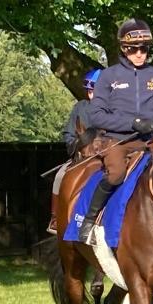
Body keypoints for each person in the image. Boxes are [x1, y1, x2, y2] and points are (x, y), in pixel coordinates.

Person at [78, 18, 153, 244]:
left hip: (152, 142)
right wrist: (133, 123)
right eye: (134, 49)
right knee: (116, 175)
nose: (140, 54)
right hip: (117, 142)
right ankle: (89, 220)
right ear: (124, 48)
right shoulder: (108, 76)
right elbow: (96, 115)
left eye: (144, 49)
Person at [47, 67, 103, 234]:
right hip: (82, 155)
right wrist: (76, 146)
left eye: (95, 90)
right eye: (89, 91)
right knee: (59, 176)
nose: (91, 94)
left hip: (105, 155)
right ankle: (55, 218)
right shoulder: (80, 108)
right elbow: (69, 133)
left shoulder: (112, 111)